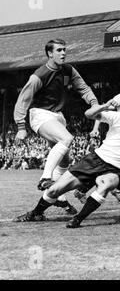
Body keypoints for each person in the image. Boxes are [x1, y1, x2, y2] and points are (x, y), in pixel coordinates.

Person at [13, 99, 120, 228]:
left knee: (106, 184)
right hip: (94, 160)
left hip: (114, 169)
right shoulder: (119, 118)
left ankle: (78, 219)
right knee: (55, 190)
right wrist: (103, 106)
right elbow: (89, 114)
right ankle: (36, 213)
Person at [13, 39, 99, 214]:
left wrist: (93, 102)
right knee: (67, 138)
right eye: (59, 50)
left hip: (58, 116)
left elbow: (83, 88)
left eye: (64, 50)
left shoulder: (69, 70)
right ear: (49, 53)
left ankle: (58, 197)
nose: (63, 53)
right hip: (40, 115)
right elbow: (23, 99)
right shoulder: (39, 75)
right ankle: (45, 178)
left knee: (66, 160)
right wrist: (21, 126)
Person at [74, 71, 120, 204]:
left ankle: (88, 190)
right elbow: (104, 110)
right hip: (119, 137)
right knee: (114, 166)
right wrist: (95, 128)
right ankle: (115, 189)